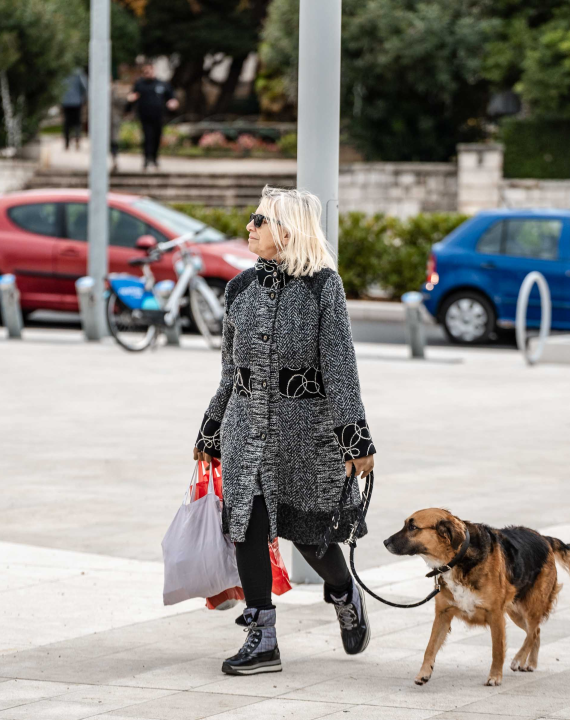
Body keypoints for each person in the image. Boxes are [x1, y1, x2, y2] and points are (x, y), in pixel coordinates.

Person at [193, 186, 377, 676]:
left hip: (305, 434)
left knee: (311, 532)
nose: (249, 227)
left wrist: (354, 437)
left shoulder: (323, 287)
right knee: (249, 528)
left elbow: (340, 368)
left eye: (260, 220)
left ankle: (343, 593)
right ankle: (263, 638)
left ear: (286, 231)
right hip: (244, 431)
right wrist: (210, 429)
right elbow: (229, 373)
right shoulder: (238, 289)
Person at [127, 62, 178, 170]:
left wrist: (173, 103)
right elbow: (131, 97)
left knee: (156, 137)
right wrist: (130, 100)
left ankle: (154, 158)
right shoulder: (139, 84)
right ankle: (146, 159)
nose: (148, 73)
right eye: (145, 71)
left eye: (149, 70)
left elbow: (171, 97)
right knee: (147, 137)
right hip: (144, 116)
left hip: (158, 116)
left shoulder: (162, 84)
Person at [61, 68, 88, 151]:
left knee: (66, 123)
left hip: (65, 101)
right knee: (77, 122)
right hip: (76, 102)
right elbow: (84, 86)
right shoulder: (78, 73)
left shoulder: (63, 72)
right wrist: (84, 98)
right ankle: (77, 141)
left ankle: (67, 143)